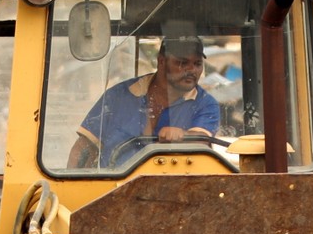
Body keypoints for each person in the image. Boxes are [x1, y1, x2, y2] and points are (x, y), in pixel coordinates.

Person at [68, 36, 220, 169]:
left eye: (197, 64)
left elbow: (201, 141)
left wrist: (184, 135)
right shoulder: (117, 97)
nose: (191, 70)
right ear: (161, 61)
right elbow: (84, 149)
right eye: (182, 63)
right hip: (113, 190)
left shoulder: (205, 104)